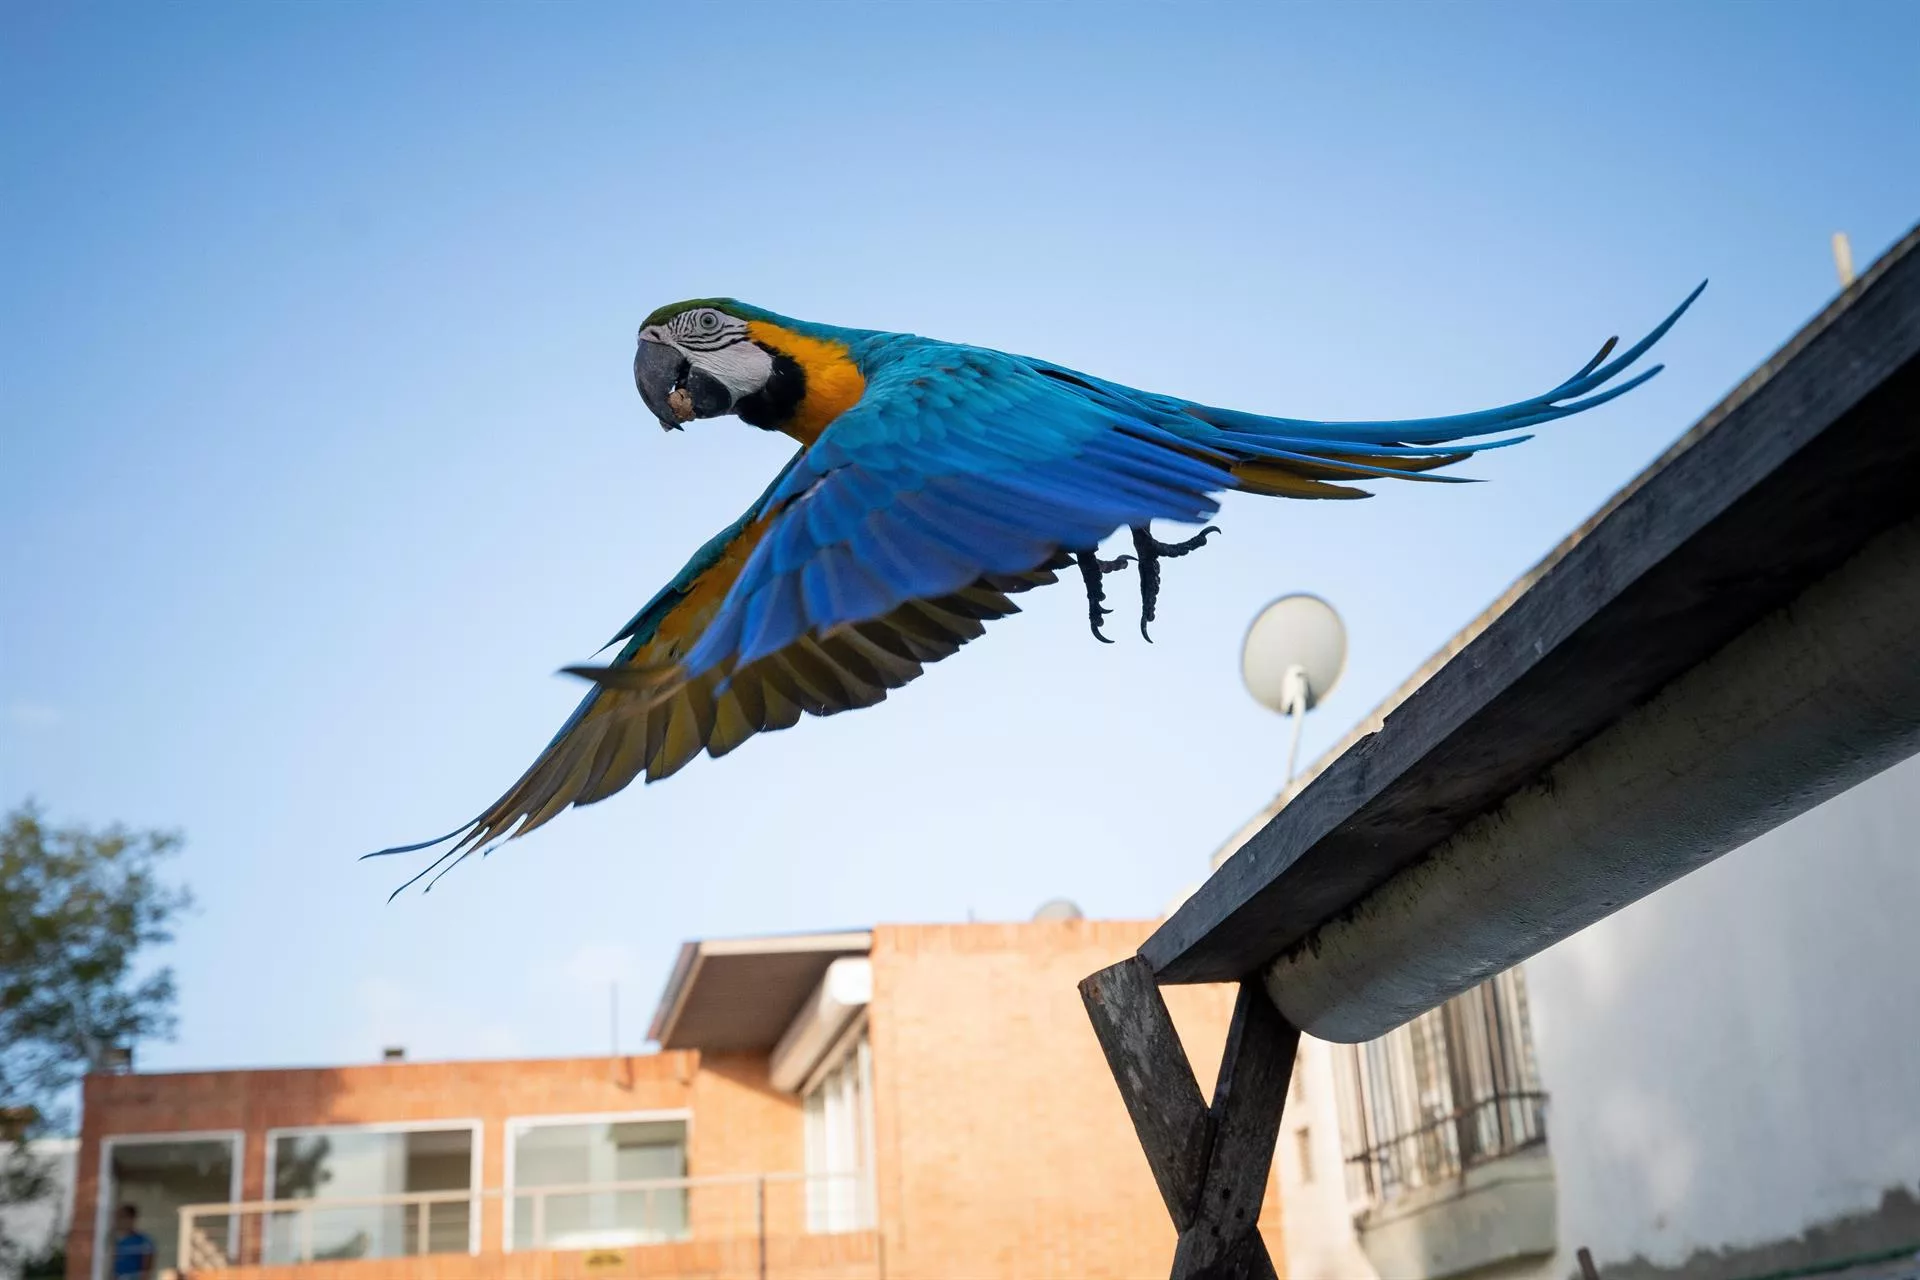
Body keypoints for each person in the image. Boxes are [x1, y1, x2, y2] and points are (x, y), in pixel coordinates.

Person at [110, 1204, 156, 1279]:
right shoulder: (110, 1241)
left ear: (132, 1219)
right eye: (117, 1217)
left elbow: (146, 1271)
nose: (118, 1220)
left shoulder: (143, 1241)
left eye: (123, 1217)